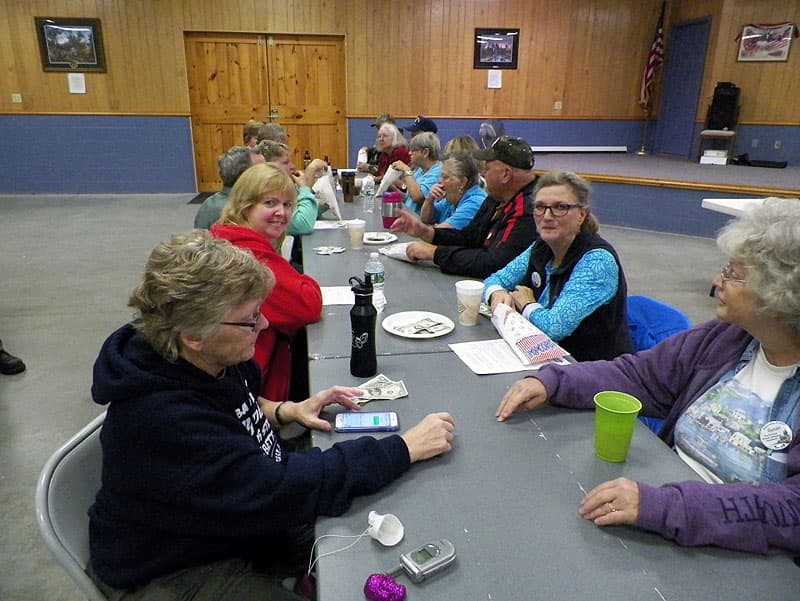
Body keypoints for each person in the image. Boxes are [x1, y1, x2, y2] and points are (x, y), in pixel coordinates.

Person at [88, 231, 455, 598]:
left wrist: (284, 410)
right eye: (249, 320)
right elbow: (278, 487)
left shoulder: (203, 358)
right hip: (172, 565)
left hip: (226, 517)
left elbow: (229, 410)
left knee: (368, 528)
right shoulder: (163, 419)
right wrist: (402, 449)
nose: (263, 326)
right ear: (194, 335)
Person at [495, 197, 800, 556]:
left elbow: (792, 510)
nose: (718, 280)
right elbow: (638, 375)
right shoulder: (726, 338)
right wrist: (553, 381)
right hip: (672, 514)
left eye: (733, 273)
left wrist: (667, 506)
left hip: (740, 552)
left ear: (779, 296)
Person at [484, 171, 633, 361]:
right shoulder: (541, 246)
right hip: (546, 358)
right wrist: (497, 293)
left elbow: (554, 329)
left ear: (581, 214)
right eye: (540, 207)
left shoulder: (597, 261)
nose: (547, 216)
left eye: (560, 207)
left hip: (592, 372)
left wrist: (528, 305)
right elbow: (495, 280)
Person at [211, 163, 322, 401]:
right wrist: (303, 280)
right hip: (245, 389)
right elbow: (308, 305)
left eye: (287, 204)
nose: (281, 212)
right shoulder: (248, 255)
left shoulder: (232, 236)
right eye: (270, 203)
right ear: (245, 207)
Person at [389, 136, 537, 278]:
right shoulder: (497, 198)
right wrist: (427, 232)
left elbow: (494, 263)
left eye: (487, 168)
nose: (483, 173)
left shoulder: (528, 210)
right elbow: (470, 236)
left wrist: (435, 253)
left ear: (506, 175)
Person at [257, 140, 328, 237]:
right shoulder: (268, 191)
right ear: (269, 166)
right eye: (286, 163)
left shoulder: (285, 187)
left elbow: (299, 210)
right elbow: (302, 225)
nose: (293, 167)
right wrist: (304, 187)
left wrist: (319, 208)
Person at [194, 146, 266, 229]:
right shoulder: (248, 208)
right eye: (262, 170)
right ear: (244, 175)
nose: (269, 173)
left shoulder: (208, 205)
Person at [419, 151, 486, 230]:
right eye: (441, 176)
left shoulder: (475, 203)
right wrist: (430, 198)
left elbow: (442, 232)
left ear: (463, 182)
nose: (440, 181)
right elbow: (426, 219)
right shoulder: (452, 198)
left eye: (445, 177)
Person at [389, 132, 443, 214]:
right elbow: (409, 198)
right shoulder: (421, 170)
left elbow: (417, 198)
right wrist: (394, 190)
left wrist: (407, 170)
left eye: (413, 150)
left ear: (425, 152)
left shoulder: (438, 172)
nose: (409, 153)